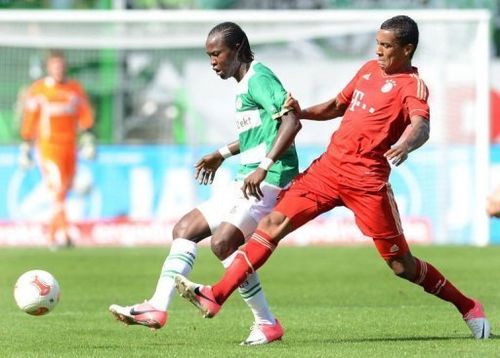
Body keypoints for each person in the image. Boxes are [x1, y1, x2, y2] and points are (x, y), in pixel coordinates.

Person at [175, 15, 491, 340]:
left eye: (387, 46)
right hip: (326, 171)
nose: (379, 51)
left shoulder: (413, 86)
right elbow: (337, 106)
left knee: (402, 266)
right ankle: (216, 295)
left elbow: (420, 125)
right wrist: (302, 111)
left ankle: (468, 305)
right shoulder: (368, 70)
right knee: (272, 224)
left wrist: (404, 145)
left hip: (367, 183)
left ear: (407, 49)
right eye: (378, 44)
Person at [109, 22, 302, 345]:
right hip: (249, 177)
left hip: (271, 179)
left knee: (222, 243)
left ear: (237, 48)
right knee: (185, 228)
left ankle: (266, 322)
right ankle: (157, 306)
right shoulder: (244, 84)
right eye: (209, 56)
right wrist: (221, 153)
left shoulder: (259, 77)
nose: (213, 61)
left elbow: (291, 120)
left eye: (217, 54)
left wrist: (265, 166)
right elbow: (259, 132)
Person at [19, 49, 95, 249]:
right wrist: (26, 146)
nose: (59, 69)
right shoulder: (39, 90)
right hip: (48, 147)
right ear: (49, 67)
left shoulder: (74, 89)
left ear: (65, 67)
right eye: (55, 66)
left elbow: (84, 115)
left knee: (63, 192)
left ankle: (54, 235)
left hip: (70, 148)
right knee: (58, 188)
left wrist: (88, 139)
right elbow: (30, 118)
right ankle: (64, 234)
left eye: (61, 66)